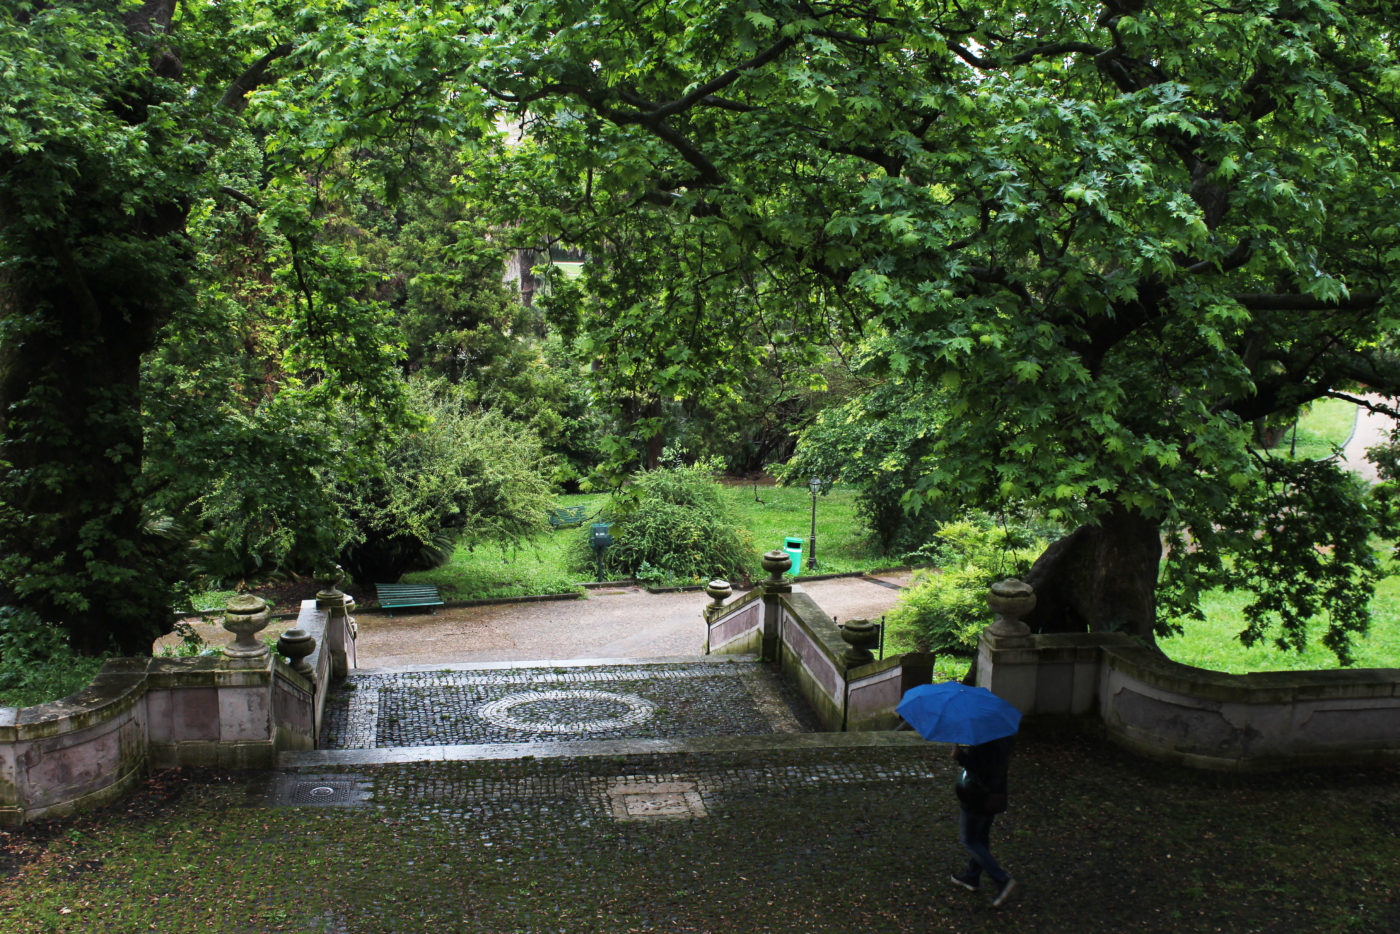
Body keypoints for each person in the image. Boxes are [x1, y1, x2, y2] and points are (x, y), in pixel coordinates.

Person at [949, 734, 1016, 907]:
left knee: (969, 839)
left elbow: (980, 767)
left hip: (977, 796)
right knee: (982, 836)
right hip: (995, 793)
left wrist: (960, 756)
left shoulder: (983, 740)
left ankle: (1001, 879)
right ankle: (972, 876)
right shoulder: (1004, 734)